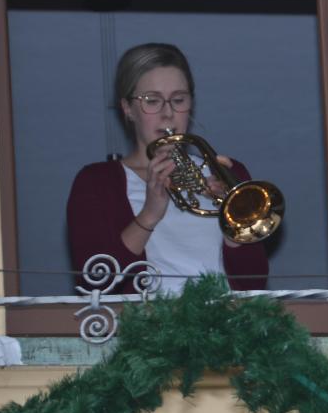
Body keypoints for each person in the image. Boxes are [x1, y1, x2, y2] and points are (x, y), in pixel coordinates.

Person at [67, 42, 268, 293]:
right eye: (152, 101)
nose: (168, 113)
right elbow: (94, 280)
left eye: (178, 99)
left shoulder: (226, 172)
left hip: (224, 323)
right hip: (147, 328)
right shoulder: (96, 182)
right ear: (127, 108)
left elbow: (255, 281)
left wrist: (232, 226)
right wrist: (149, 214)